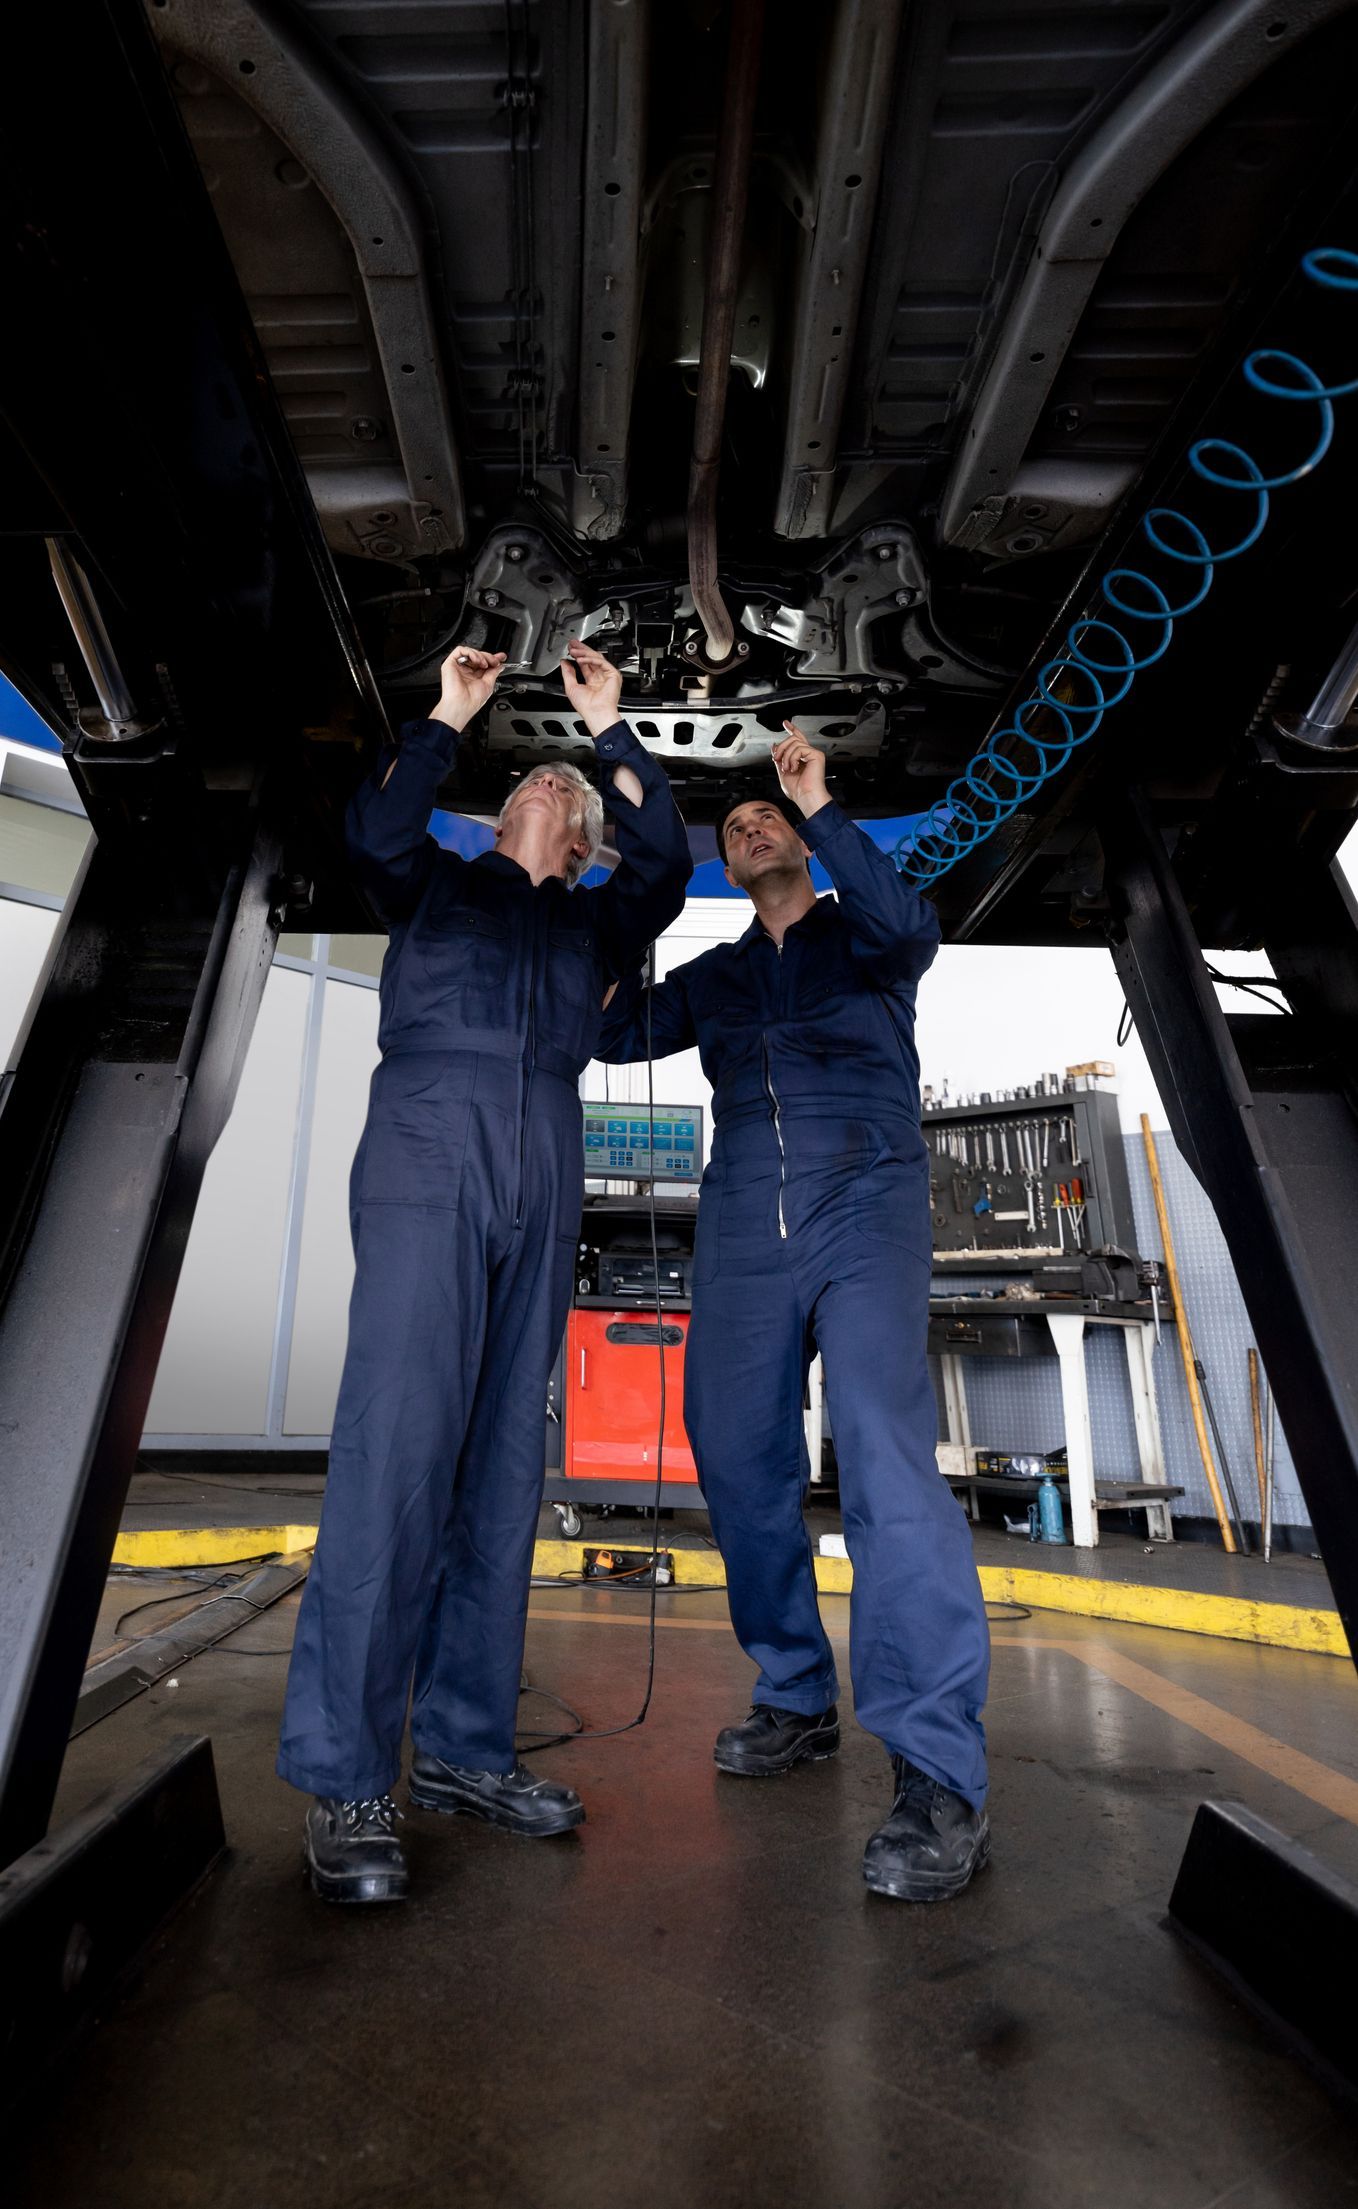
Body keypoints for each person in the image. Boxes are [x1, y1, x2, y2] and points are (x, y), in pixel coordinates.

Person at [280, 639, 691, 1904]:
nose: (549, 791)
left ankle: (460, 1748)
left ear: (580, 843)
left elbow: (669, 864)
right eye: (535, 784)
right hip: (430, 1136)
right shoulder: (436, 887)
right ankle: (350, 1771)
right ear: (497, 807)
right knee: (400, 1440)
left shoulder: (595, 918)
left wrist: (611, 732)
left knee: (507, 1461)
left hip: (545, 1145)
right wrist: (453, 713)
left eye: (569, 799)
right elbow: (379, 822)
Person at [597, 724, 990, 1902]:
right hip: (741, 1205)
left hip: (864, 1187)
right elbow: (611, 1031)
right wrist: (627, 900)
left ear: (801, 839)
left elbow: (910, 924)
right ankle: (794, 1692)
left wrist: (818, 806)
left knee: (879, 1451)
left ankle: (936, 1767)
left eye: (761, 816)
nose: (747, 825)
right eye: (733, 828)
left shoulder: (864, 933)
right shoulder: (715, 975)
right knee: (731, 1452)